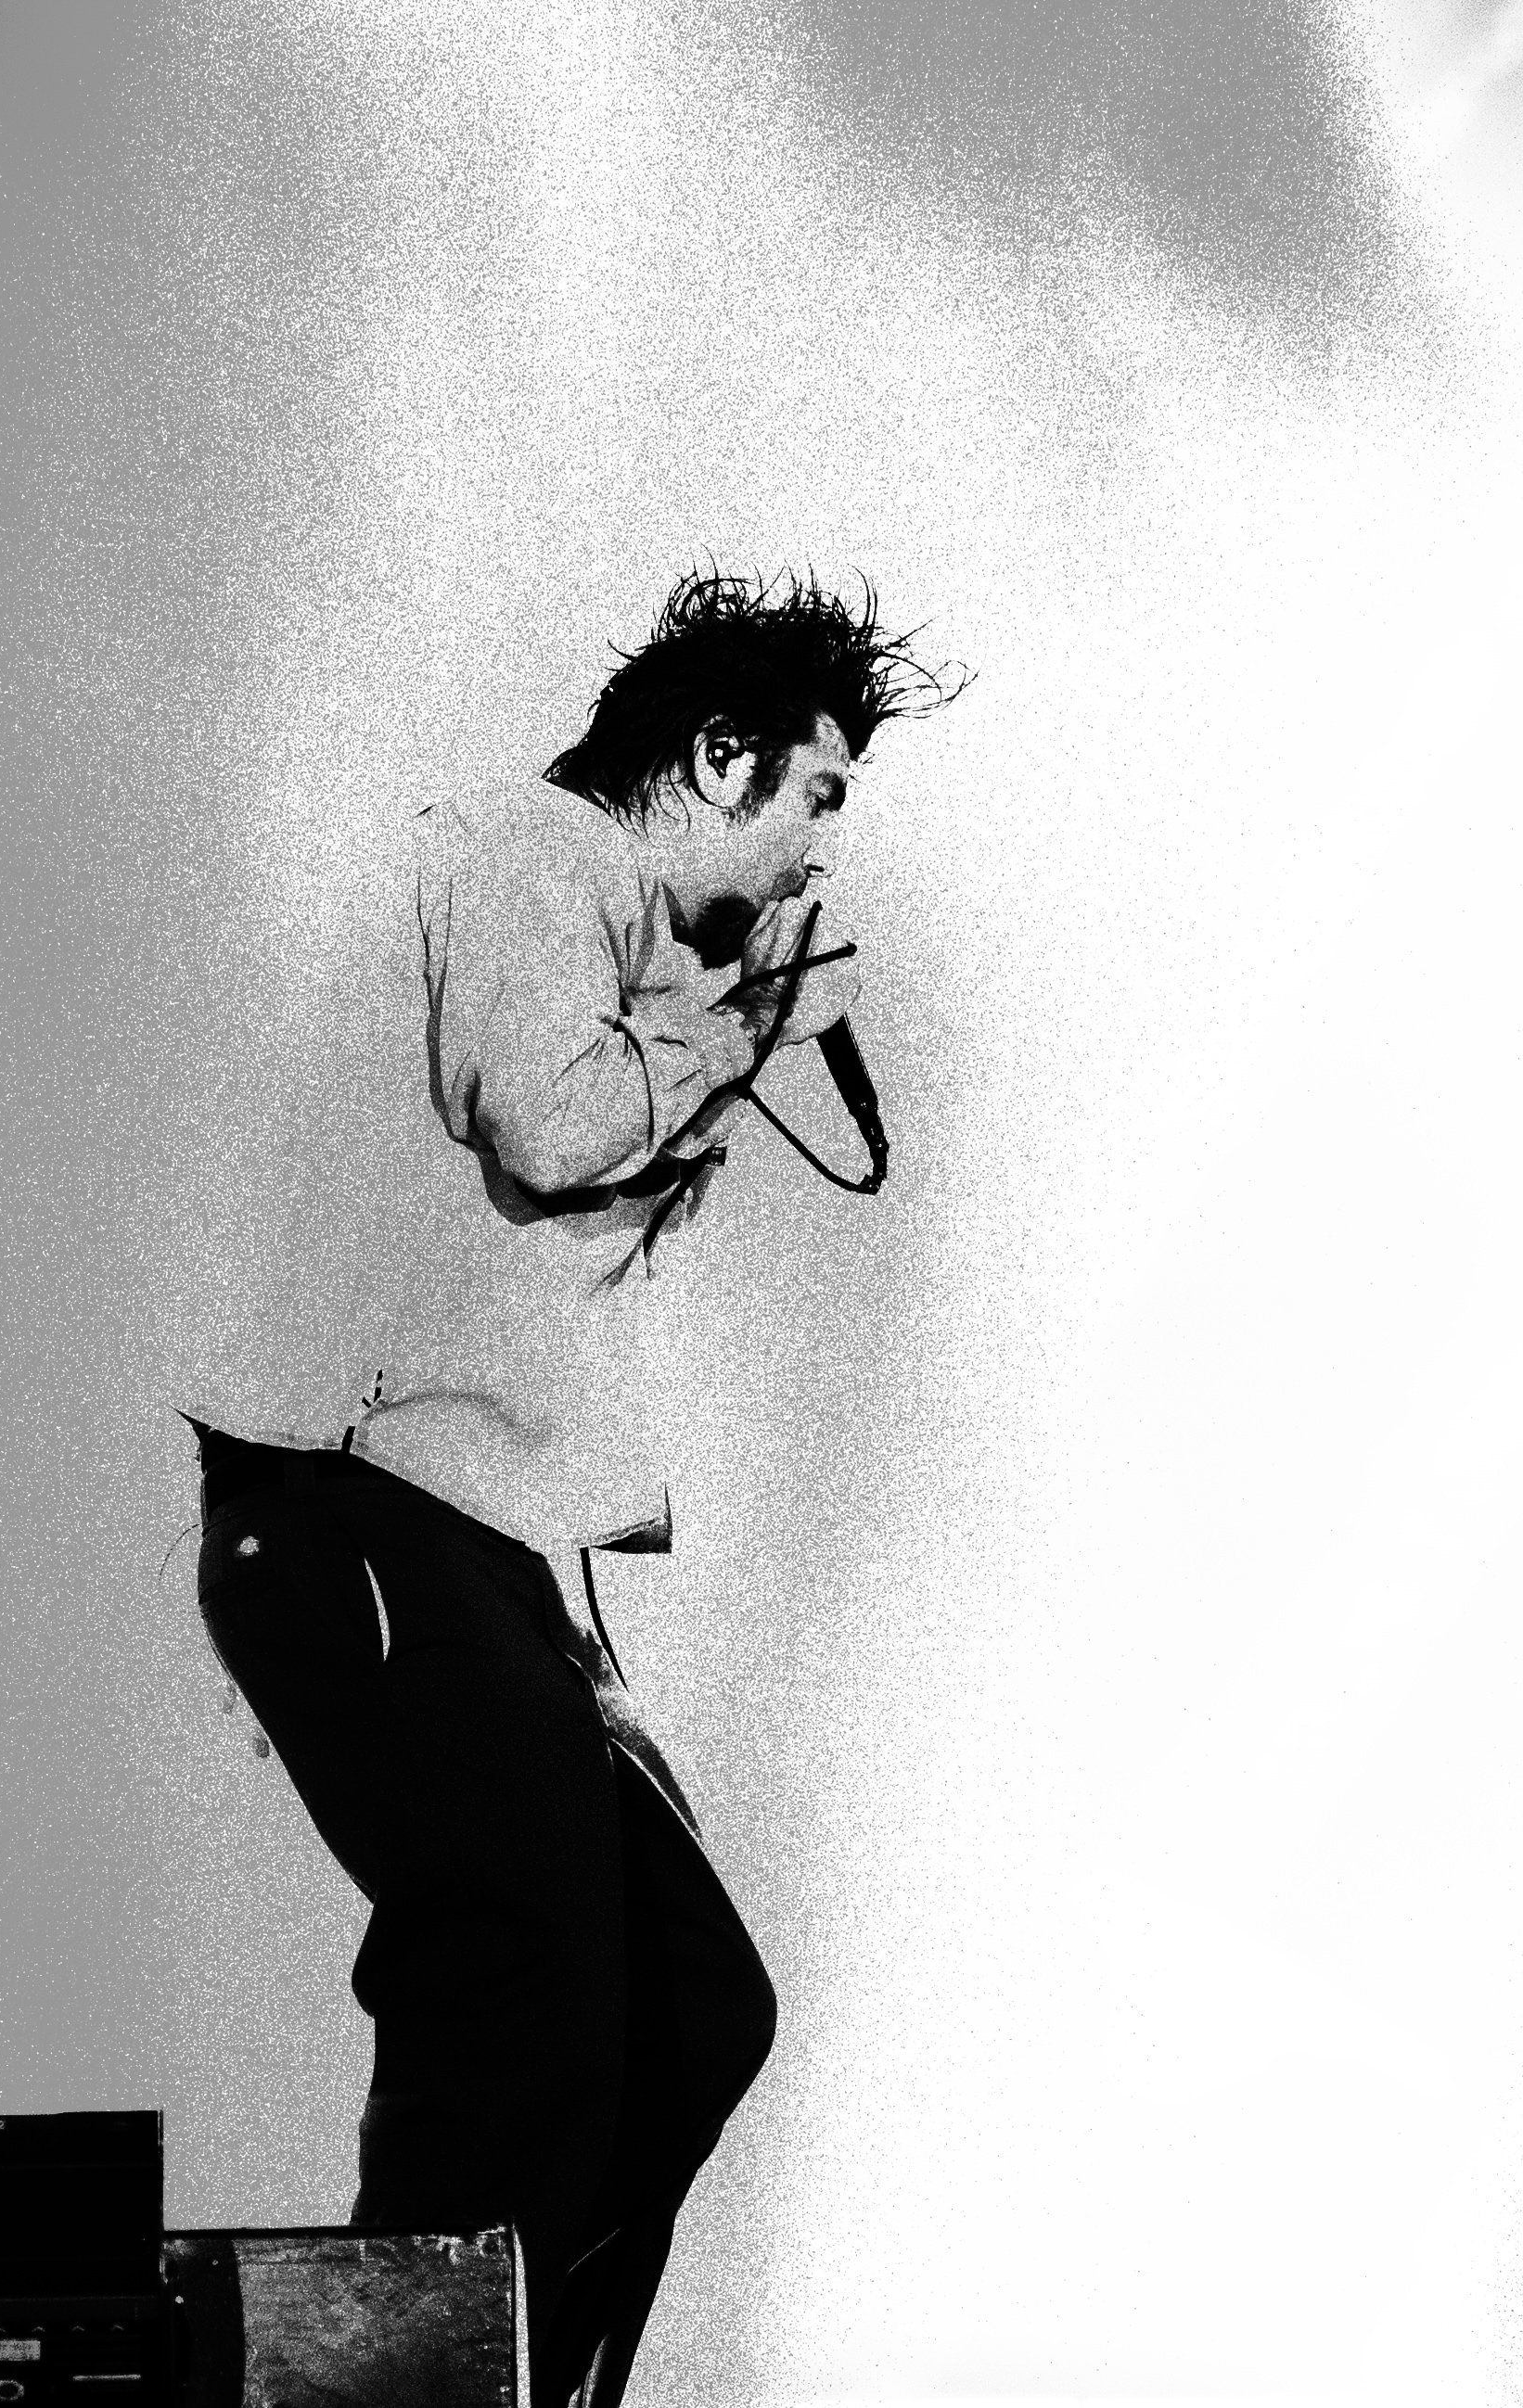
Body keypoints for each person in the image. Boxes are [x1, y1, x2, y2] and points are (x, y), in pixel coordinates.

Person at [187, 569, 957, 2407]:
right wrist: (751, 1020)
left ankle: (523, 2378)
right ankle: (402, 2395)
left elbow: (556, 1253)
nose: (819, 855)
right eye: (816, 797)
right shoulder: (536, 854)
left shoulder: (633, 947)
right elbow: (547, 1122)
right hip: (352, 1504)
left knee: (696, 2004)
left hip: (476, 1545)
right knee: (518, 1983)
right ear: (717, 754)